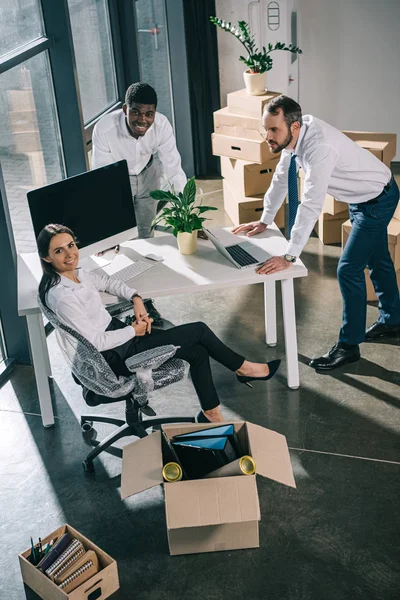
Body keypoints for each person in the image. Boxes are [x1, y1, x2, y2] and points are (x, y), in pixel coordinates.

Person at [37, 224, 281, 423]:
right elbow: (97, 342)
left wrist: (136, 298)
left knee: (196, 351)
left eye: (71, 245)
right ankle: (243, 368)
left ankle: (211, 413)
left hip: (118, 339)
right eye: (59, 251)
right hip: (111, 357)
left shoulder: (76, 274)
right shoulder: (63, 295)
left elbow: (108, 283)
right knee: (198, 330)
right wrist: (133, 330)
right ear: (46, 257)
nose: (70, 254)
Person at [233, 95, 400, 371]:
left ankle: (348, 347)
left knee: (348, 269)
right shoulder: (293, 138)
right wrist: (264, 220)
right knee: (378, 258)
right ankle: (393, 320)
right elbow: (280, 180)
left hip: (377, 201)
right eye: (266, 129)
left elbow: (311, 204)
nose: (268, 136)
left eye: (273, 129)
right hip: (362, 198)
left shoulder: (318, 148)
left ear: (294, 126)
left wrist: (289, 255)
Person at [92, 82, 187, 325]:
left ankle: (145, 302)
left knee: (145, 237)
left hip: (148, 173)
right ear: (125, 109)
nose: (142, 119)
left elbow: (174, 168)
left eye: (148, 114)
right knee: (119, 241)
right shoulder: (105, 128)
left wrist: (186, 210)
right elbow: (102, 178)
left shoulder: (162, 125)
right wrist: (108, 226)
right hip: (116, 177)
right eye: (135, 112)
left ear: (154, 112)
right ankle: (122, 303)